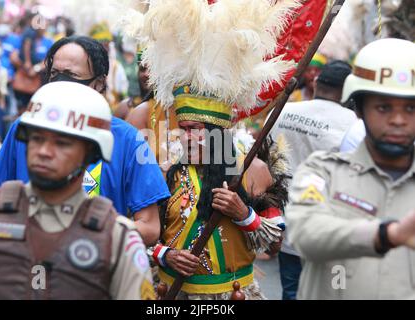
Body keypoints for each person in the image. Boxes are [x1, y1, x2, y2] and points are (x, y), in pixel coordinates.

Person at [115, 0, 299, 299]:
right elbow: (138, 231)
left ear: (216, 132)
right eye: (182, 129)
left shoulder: (253, 169)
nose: (183, 137)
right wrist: (165, 256)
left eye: (193, 131)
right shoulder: (164, 169)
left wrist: (243, 213)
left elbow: (276, 242)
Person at [0, 81, 155, 300]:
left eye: (62, 143)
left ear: (91, 154)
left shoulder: (117, 239)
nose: (44, 151)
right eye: (37, 138)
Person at [0, 36, 170, 246]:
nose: (60, 83)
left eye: (71, 75)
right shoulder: (25, 126)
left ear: (99, 83)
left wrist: (91, 233)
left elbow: (150, 227)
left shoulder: (128, 139)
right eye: (54, 74)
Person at [286, 38, 415, 299]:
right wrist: (387, 235)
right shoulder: (322, 171)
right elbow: (305, 233)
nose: (398, 120)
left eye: (411, 108)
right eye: (383, 107)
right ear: (359, 109)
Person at [269, 60, 358, 299]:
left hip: (287, 221)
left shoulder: (283, 111)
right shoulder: (353, 124)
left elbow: (265, 158)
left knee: (291, 290)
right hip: (327, 226)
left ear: (317, 81)